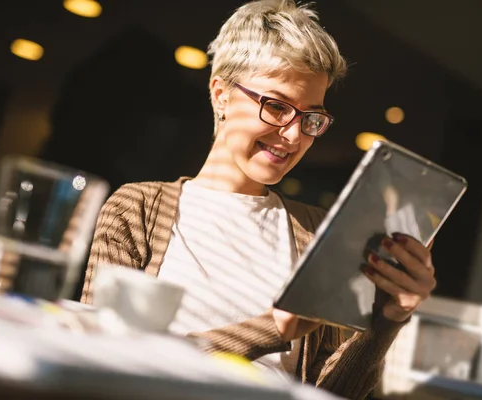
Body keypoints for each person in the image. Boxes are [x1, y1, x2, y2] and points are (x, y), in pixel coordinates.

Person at [81, 1, 437, 399]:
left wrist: (388, 318)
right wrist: (273, 328)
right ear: (221, 94)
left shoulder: (317, 230)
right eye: (277, 106)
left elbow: (334, 392)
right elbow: (98, 357)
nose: (293, 136)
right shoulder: (137, 208)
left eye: (310, 118)